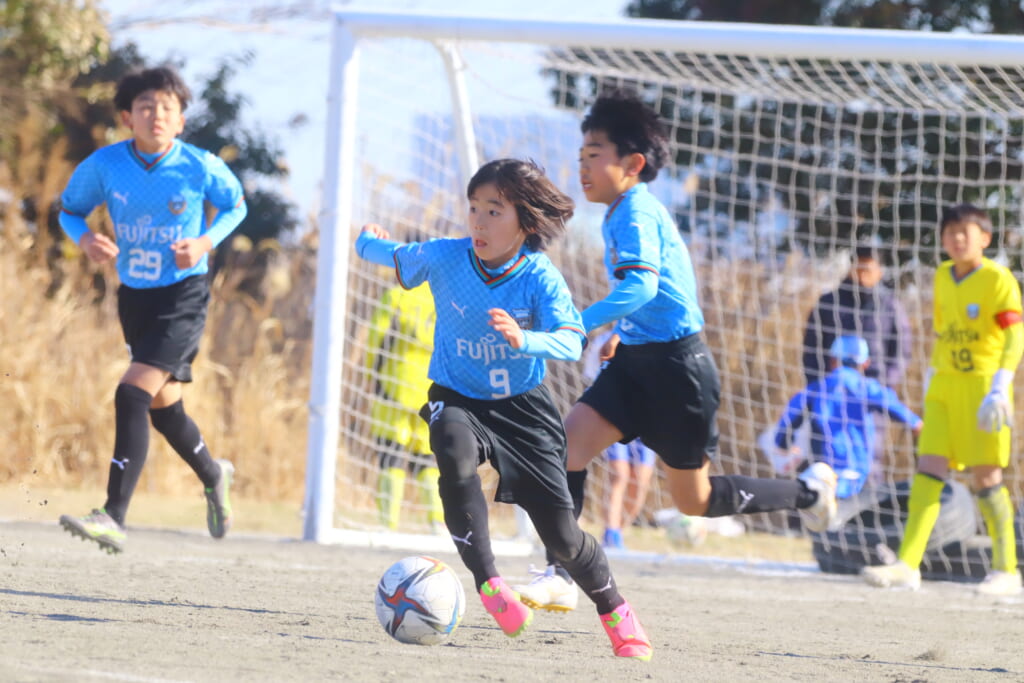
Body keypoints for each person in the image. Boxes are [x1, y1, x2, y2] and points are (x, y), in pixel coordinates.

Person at [516, 90, 838, 613]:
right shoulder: (618, 212)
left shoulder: (635, 212)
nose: (582, 167)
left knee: (696, 500)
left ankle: (810, 492)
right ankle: (560, 572)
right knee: (567, 447)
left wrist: (581, 322)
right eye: (580, 156)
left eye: (594, 155)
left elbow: (642, 287)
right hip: (635, 364)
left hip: (677, 372)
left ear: (633, 164)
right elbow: (650, 296)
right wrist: (616, 330)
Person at [355, 158, 652, 660]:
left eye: (494, 210)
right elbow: (386, 253)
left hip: (522, 411)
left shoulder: (539, 276)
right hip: (456, 395)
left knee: (562, 537)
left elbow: (570, 338)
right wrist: (367, 239)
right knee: (452, 446)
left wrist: (525, 338)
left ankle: (616, 610)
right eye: (474, 207)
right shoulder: (446, 256)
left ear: (525, 222)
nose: (479, 221)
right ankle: (490, 583)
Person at [57, 66, 247, 554]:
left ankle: (112, 516)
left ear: (181, 120)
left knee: (131, 393)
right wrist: (85, 239)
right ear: (127, 117)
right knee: (164, 410)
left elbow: (236, 206)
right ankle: (214, 474)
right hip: (135, 296)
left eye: (167, 107)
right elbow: (69, 210)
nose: (156, 115)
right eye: (145, 106)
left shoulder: (199, 165)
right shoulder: (104, 166)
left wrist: (203, 242)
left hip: (184, 294)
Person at [863, 204, 1024, 595]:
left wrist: (1001, 384)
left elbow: (1014, 335)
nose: (957, 239)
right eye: (950, 232)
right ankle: (907, 564)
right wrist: (930, 379)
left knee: (987, 479)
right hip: (943, 389)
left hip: (983, 391)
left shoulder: (998, 278)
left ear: (985, 238)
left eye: (965, 232)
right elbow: (942, 333)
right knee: (928, 472)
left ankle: (1006, 570)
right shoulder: (941, 276)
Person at [772, 335, 923, 500]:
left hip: (823, 469)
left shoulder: (817, 389)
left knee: (824, 506)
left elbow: (790, 418)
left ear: (832, 360)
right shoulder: (867, 388)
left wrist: (784, 444)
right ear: (865, 363)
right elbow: (893, 406)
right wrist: (915, 423)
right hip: (859, 469)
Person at [364, 282, 443, 531]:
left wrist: (371, 375)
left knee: (391, 452)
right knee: (426, 458)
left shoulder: (396, 296)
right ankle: (437, 522)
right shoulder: (442, 297)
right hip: (430, 387)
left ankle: (388, 522)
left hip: (395, 383)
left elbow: (376, 338)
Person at [582, 329, 655, 550]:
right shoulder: (603, 342)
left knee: (640, 480)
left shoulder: (655, 336)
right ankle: (611, 533)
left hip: (647, 417)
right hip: (613, 416)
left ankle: (618, 531)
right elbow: (592, 379)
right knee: (619, 474)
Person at [802, 245, 912, 388]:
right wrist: (819, 385)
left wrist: (884, 384)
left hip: (874, 388)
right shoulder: (829, 302)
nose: (862, 275)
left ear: (879, 272)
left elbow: (901, 352)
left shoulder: (891, 306)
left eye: (868, 269)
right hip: (832, 388)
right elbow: (811, 348)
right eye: (859, 268)